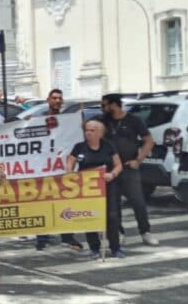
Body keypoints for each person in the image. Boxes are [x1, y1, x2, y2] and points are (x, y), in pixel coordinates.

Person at [100, 93, 158, 246]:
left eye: (105, 105)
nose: (102, 108)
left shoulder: (133, 120)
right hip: (110, 169)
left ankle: (145, 231)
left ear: (114, 105)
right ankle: (118, 232)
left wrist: (138, 160)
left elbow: (148, 141)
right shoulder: (103, 121)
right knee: (113, 204)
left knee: (138, 201)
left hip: (128, 167)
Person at [68, 119, 124, 259]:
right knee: (90, 216)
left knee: (112, 217)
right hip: (87, 188)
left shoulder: (108, 146)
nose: (88, 133)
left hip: (107, 186)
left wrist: (112, 174)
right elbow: (69, 166)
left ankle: (115, 248)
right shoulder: (79, 147)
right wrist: (73, 175)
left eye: (92, 130)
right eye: (87, 130)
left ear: (100, 132)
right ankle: (94, 248)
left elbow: (118, 165)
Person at [36, 89, 82, 251]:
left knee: (64, 202)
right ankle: (42, 238)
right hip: (43, 168)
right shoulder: (38, 120)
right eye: (54, 98)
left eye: (59, 98)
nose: (57, 101)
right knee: (43, 203)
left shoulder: (68, 120)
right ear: (48, 100)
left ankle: (67, 237)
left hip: (62, 168)